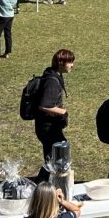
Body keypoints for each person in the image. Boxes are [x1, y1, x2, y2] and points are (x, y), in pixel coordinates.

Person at [34, 49, 73, 180]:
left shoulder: (55, 76)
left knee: (55, 157)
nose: (72, 65)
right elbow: (44, 105)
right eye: (70, 62)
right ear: (61, 63)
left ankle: (46, 185)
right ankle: (42, 186)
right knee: (55, 158)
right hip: (47, 128)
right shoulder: (52, 81)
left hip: (51, 127)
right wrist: (63, 112)